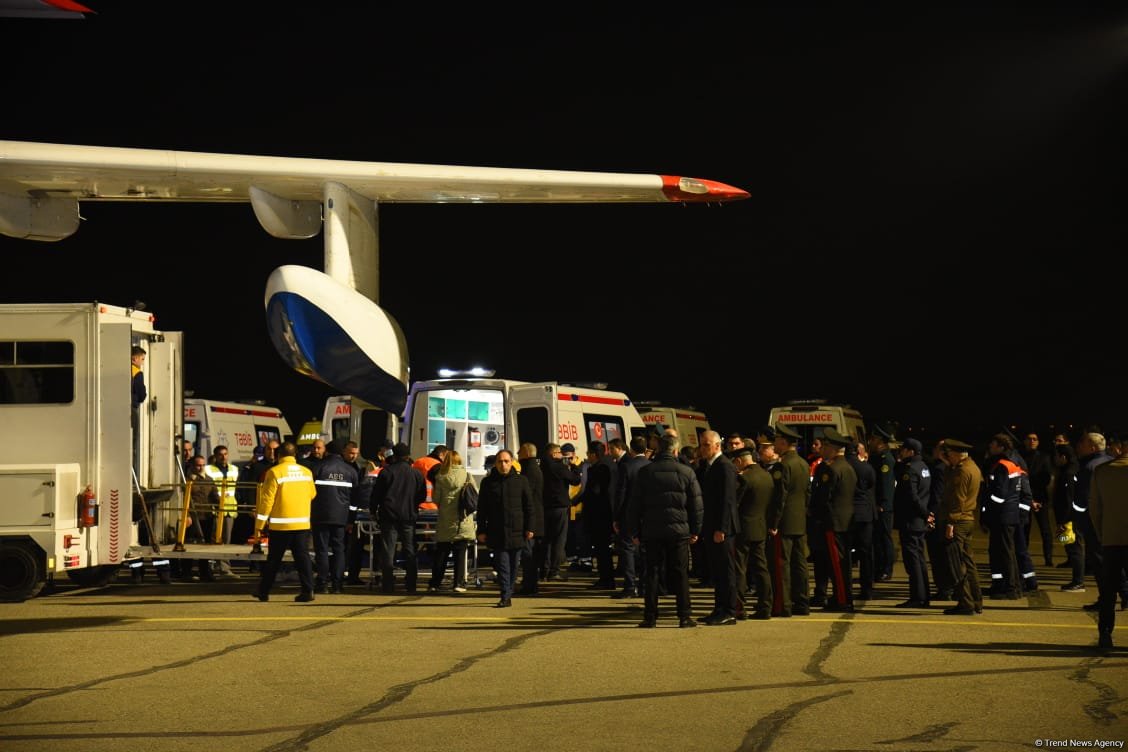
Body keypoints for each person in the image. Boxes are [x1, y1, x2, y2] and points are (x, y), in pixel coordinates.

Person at [628, 434, 703, 628]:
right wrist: (695, 530)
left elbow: (635, 504)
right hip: (679, 530)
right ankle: (684, 616)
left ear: (659, 449)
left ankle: (650, 616)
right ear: (676, 450)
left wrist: (634, 531)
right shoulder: (686, 472)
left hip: (652, 529)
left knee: (652, 572)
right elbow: (696, 505)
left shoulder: (646, 472)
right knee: (680, 573)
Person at [253, 442, 317, 602]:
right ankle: (308, 591)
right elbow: (313, 494)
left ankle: (264, 591)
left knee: (274, 559)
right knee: (303, 559)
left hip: (280, 525)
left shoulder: (274, 472)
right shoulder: (306, 472)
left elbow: (267, 500)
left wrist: (259, 525)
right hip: (302, 523)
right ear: (295, 455)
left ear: (279, 455)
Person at [476, 449, 534, 607]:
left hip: (517, 531)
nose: (503, 464)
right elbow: (482, 509)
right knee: (502, 566)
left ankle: (508, 590)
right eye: (500, 461)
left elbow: (529, 507)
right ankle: (505, 595)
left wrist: (530, 527)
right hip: (497, 531)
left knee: (514, 565)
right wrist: (481, 530)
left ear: (512, 462)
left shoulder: (521, 481)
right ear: (495, 463)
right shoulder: (488, 483)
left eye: (506, 461)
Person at [809, 429, 857, 612]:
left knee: (836, 563)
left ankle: (841, 600)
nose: (824, 449)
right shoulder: (848, 467)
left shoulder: (832, 469)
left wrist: (816, 515)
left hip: (832, 522)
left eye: (827, 446)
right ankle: (843, 596)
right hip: (845, 521)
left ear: (834, 448)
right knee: (843, 562)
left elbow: (823, 498)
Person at [697, 430, 742, 625]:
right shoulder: (710, 466)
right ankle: (719, 608)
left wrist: (722, 528)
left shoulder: (724, 466)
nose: (702, 448)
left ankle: (730, 610)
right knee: (717, 571)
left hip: (722, 529)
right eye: (701, 444)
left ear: (717, 446)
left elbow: (728, 500)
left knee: (726, 570)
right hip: (712, 526)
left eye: (706, 444)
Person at [370, 442, 427, 593]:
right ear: (408, 456)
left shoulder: (386, 472)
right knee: (410, 551)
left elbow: (376, 495)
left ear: (394, 455)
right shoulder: (416, 474)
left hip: (389, 516)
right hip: (408, 516)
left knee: (388, 551)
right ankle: (411, 585)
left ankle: (387, 585)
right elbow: (422, 496)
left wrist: (372, 510)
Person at [770, 423, 811, 617]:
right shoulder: (803, 463)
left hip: (785, 522)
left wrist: (774, 523)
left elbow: (780, 497)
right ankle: (802, 602)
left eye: (776, 440)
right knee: (800, 563)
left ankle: (783, 604)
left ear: (784, 442)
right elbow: (807, 494)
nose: (774, 444)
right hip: (799, 521)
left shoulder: (783, 465)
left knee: (782, 564)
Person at [1090, 443, 1128, 649]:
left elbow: (1094, 508)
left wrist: (1102, 533)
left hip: (1111, 538)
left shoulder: (1102, 471)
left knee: (1108, 590)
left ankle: (1105, 633)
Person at [939, 439, 984, 615]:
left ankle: (966, 603)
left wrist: (950, 523)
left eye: (948, 454)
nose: (947, 457)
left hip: (958, 521)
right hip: (968, 519)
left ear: (957, 454)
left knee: (958, 565)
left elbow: (958, 499)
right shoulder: (972, 467)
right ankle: (976, 601)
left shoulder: (961, 472)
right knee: (969, 563)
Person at [311, 440, 361, 594]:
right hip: (341, 517)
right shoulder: (351, 471)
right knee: (339, 550)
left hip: (320, 516)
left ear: (327, 451)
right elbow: (354, 500)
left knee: (322, 550)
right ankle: (337, 584)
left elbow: (310, 494)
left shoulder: (318, 468)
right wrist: (351, 520)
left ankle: (322, 583)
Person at [733, 442, 775, 619]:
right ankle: (765, 606)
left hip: (743, 528)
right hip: (760, 526)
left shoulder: (744, 478)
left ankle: (739, 608)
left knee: (739, 569)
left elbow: (735, 503)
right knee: (761, 568)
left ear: (740, 461)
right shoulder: (766, 476)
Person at [429, 449, 477, 593]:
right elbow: (475, 494)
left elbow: (436, 499)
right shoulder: (467, 475)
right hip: (463, 520)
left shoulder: (441, 477)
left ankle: (435, 583)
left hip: (445, 521)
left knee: (441, 553)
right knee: (460, 554)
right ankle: (459, 583)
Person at [892, 438, 931, 608]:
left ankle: (918, 597)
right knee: (919, 559)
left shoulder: (910, 470)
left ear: (911, 452)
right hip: (918, 520)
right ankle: (923, 595)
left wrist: (924, 513)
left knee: (913, 560)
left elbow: (912, 496)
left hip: (911, 519)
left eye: (904, 450)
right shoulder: (923, 467)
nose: (901, 452)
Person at [611, 436, 649, 599]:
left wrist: (616, 517)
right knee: (646, 550)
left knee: (627, 549)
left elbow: (621, 494)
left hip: (629, 513)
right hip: (647, 514)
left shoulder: (626, 466)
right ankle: (644, 585)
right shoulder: (651, 465)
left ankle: (629, 585)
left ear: (631, 449)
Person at [539, 442, 581, 582]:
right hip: (559, 507)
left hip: (545, 507)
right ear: (553, 454)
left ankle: (544, 570)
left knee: (546, 540)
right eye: (559, 453)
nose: (562, 455)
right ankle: (554, 571)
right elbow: (575, 480)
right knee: (559, 540)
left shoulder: (541, 466)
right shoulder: (558, 467)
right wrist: (574, 466)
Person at [1021, 431, 1055, 566]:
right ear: (1024, 441)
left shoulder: (1044, 457)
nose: (1032, 441)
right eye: (1029, 439)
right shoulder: (1020, 456)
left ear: (1038, 442)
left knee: (1046, 530)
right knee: (1025, 529)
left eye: (1035, 439)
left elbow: (1047, 477)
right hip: (1024, 498)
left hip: (1040, 498)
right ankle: (1023, 557)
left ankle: (1049, 558)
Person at [515, 442, 543, 595]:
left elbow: (527, 497)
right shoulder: (534, 468)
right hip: (536, 519)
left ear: (525, 453)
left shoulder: (528, 470)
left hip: (531, 520)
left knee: (528, 555)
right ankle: (530, 584)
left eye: (519, 453)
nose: (517, 456)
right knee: (530, 554)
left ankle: (530, 586)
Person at [130, 345, 146, 470]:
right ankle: (132, 477)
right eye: (142, 359)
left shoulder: (121, 370)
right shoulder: (137, 372)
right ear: (134, 359)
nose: (142, 362)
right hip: (131, 409)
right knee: (132, 443)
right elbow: (141, 394)